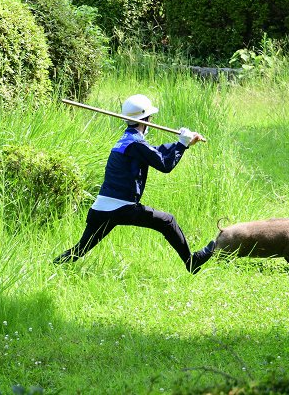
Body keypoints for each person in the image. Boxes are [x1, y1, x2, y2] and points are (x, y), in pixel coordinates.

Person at [54, 94, 216, 274]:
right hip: (121, 208)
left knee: (78, 251)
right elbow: (164, 165)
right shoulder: (136, 143)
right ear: (146, 119)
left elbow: (155, 152)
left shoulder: (127, 140)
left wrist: (184, 144)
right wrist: (181, 144)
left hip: (100, 210)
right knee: (167, 221)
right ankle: (191, 262)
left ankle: (52, 266)